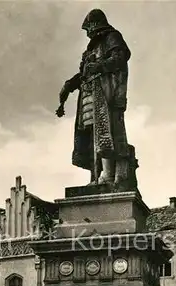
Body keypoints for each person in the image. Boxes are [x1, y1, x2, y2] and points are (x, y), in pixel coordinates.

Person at [56, 9, 137, 191]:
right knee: (94, 135)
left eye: (88, 29)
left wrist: (98, 66)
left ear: (95, 25)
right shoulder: (91, 48)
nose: (87, 34)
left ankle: (111, 175)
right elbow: (85, 73)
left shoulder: (112, 37)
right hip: (90, 96)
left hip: (106, 94)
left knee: (107, 133)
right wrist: (70, 84)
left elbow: (119, 59)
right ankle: (98, 174)